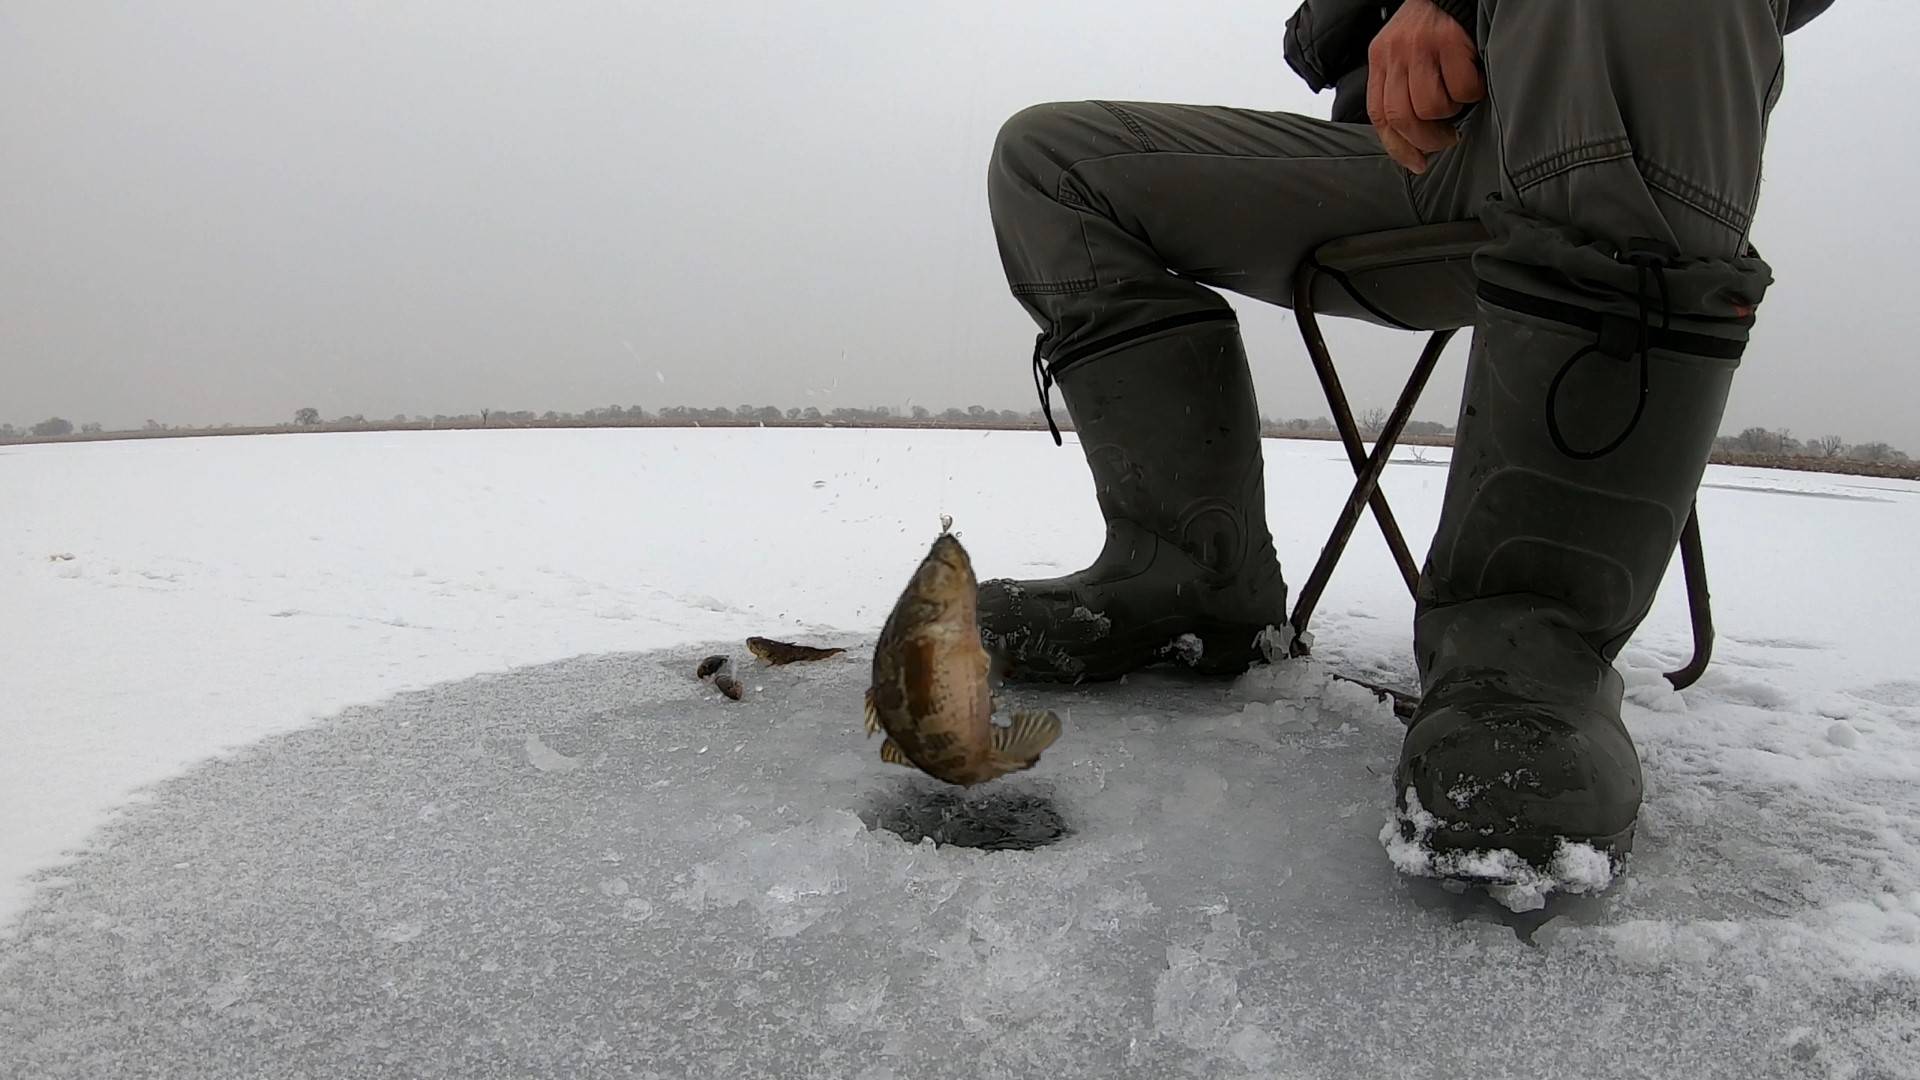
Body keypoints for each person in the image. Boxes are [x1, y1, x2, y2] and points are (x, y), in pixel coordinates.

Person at [976, 0, 1833, 874]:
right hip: (1414, 157)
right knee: (1048, 161)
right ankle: (1188, 573)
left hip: (1613, 111)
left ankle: (1526, 651)